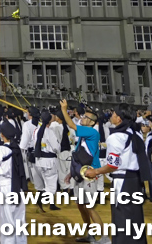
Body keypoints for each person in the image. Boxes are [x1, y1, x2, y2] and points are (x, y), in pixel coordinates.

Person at [84, 104, 150, 244]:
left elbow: (113, 165)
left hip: (123, 182)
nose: (112, 115)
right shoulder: (135, 133)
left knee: (122, 220)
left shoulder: (115, 137)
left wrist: (95, 171)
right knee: (135, 220)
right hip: (136, 180)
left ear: (119, 119)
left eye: (114, 114)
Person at [59, 100, 110, 244]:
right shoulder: (85, 133)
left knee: (90, 207)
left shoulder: (91, 132)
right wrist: (71, 173)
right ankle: (90, 235)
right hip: (81, 174)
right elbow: (77, 154)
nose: (83, 118)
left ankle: (105, 238)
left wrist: (64, 109)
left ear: (93, 122)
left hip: (89, 175)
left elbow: (71, 125)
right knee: (81, 206)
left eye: (86, 117)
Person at [0, 121, 27, 244]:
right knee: (20, 221)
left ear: (2, 135)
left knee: (7, 222)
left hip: (6, 189)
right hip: (19, 189)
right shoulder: (17, 148)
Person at [32, 110, 61, 211]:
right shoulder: (49, 132)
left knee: (46, 184)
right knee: (51, 188)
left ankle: (44, 202)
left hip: (39, 160)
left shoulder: (36, 130)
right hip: (49, 161)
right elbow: (56, 147)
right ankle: (39, 200)